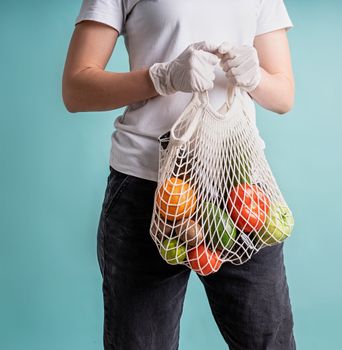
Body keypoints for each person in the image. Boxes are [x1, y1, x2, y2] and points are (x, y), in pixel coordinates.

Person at [62, 0, 296, 349]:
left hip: (238, 187)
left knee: (268, 341)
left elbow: (283, 96)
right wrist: (162, 77)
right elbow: (76, 89)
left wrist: (257, 78)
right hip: (147, 184)